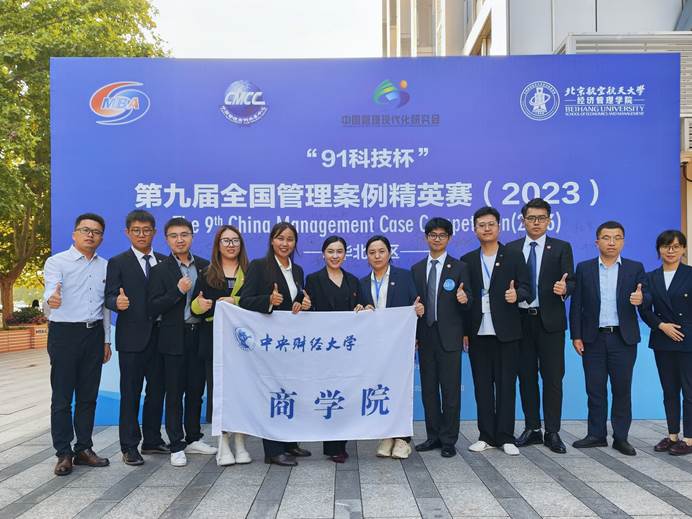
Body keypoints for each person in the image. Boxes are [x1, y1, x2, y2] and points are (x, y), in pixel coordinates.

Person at [569, 221, 649, 456]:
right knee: (595, 389)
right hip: (593, 338)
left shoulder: (634, 268)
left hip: (623, 339)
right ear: (597, 242)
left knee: (622, 389)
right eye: (606, 238)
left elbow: (647, 296)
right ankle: (596, 435)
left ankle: (621, 438)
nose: (611, 242)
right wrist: (576, 335)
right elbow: (576, 305)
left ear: (623, 241)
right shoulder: (585, 268)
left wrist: (642, 299)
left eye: (617, 238)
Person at [238, 222, 312, 466]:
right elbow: (245, 300)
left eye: (290, 239)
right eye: (280, 238)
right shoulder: (259, 266)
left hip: (291, 343)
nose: (285, 243)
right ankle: (272, 450)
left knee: (290, 390)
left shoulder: (297, 270)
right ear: (272, 240)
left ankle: (290, 444)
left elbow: (294, 301)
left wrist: (303, 304)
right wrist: (268, 300)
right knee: (273, 393)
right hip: (268, 344)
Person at [43, 213, 112, 476]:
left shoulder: (105, 266)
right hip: (64, 334)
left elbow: (105, 307)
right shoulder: (57, 262)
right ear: (74, 234)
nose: (90, 235)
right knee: (62, 398)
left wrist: (106, 339)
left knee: (88, 397)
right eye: (85, 230)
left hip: (93, 335)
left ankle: (84, 448)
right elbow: (51, 290)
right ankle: (63, 453)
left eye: (96, 232)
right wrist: (51, 300)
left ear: (101, 238)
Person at [461, 206, 531, 456]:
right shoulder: (468, 260)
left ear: (499, 227)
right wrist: (463, 307)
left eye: (491, 224)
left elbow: (528, 289)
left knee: (506, 386)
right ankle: (486, 436)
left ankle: (505, 436)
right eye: (481, 225)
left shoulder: (513, 256)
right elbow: (466, 296)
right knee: (482, 387)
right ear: (475, 229)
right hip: (478, 333)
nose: (486, 229)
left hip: (507, 332)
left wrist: (517, 295)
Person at [506, 198, 574, 454]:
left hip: (550, 323)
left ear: (549, 220)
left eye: (541, 218)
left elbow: (572, 281)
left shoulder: (561, 247)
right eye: (531, 218)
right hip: (520, 321)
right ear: (523, 220)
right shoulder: (511, 249)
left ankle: (552, 431)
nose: (536, 223)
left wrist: (565, 288)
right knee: (526, 377)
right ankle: (532, 427)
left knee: (553, 378)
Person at [148, 217, 215, 467]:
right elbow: (153, 307)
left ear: (192, 237)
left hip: (200, 335)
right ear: (166, 239)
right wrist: (177, 291)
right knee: (174, 392)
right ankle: (176, 444)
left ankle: (193, 437)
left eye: (184, 234)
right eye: (174, 236)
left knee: (196, 391)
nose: (179, 240)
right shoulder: (159, 270)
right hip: (172, 338)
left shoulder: (206, 267)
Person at [105, 209, 168, 466]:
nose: (142, 235)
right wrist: (116, 303)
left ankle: (152, 439)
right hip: (132, 339)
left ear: (154, 232)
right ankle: (129, 446)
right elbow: (109, 295)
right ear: (127, 233)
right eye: (136, 231)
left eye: (146, 230)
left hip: (161, 338)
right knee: (130, 393)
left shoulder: (164, 261)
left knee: (157, 391)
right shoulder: (118, 262)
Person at [357, 234, 424, 460]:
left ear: (389, 253)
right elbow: (358, 313)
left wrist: (418, 314)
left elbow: (415, 306)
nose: (377, 256)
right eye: (372, 252)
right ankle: (387, 434)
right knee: (381, 388)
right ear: (366, 256)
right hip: (375, 347)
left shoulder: (404, 277)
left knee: (400, 389)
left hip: (400, 345)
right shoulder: (362, 283)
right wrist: (360, 309)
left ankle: (403, 439)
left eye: (381, 251)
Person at [191, 225, 252, 466]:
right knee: (219, 392)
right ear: (218, 245)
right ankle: (223, 443)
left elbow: (257, 301)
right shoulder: (206, 273)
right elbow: (195, 307)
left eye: (235, 240)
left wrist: (235, 300)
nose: (230, 245)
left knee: (242, 392)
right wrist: (200, 306)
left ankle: (241, 442)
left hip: (243, 343)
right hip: (214, 341)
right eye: (226, 241)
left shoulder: (251, 271)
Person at [411, 217, 471, 458]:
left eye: (442, 235)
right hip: (426, 336)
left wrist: (465, 300)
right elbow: (414, 305)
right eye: (433, 235)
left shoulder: (460, 267)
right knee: (428, 390)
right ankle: (433, 436)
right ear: (426, 238)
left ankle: (448, 440)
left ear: (449, 238)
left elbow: (470, 302)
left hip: (450, 337)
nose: (437, 239)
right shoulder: (416, 269)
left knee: (450, 391)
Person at [305, 235, 361, 463]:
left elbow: (362, 308)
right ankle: (331, 445)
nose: (335, 256)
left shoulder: (353, 281)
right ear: (323, 254)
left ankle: (341, 443)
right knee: (328, 394)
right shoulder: (313, 280)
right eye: (331, 251)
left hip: (347, 350)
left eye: (339, 251)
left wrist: (363, 307)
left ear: (345, 255)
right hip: (324, 349)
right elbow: (307, 310)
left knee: (344, 393)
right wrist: (305, 306)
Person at [640, 230, 692, 456]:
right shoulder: (650, 277)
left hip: (688, 339)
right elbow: (644, 309)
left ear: (683, 249)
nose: (670, 251)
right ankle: (672, 436)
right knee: (669, 390)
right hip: (662, 340)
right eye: (665, 246)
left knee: (689, 391)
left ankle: (689, 439)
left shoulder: (690, 274)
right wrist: (661, 326)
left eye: (676, 246)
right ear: (659, 250)